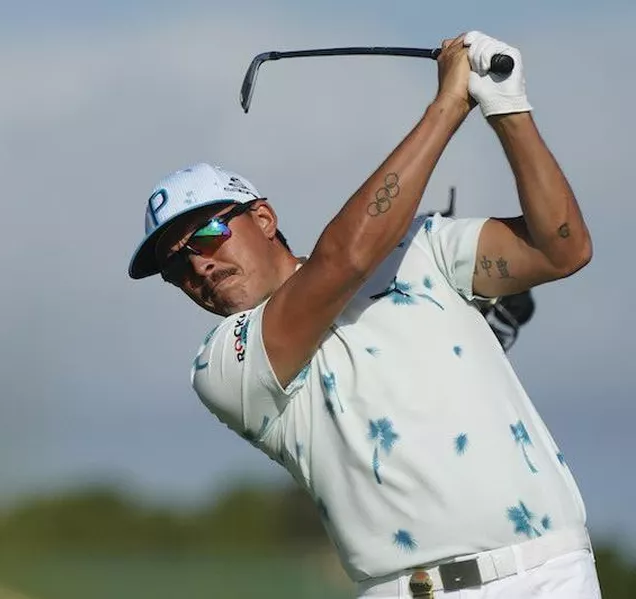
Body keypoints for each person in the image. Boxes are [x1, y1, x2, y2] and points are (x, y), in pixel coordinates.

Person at [128, 31, 600, 598]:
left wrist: (506, 107)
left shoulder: (419, 249)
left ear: (264, 218)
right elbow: (343, 261)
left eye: (205, 235)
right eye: (174, 266)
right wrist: (449, 105)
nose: (196, 267)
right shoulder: (223, 366)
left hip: (550, 576)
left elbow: (562, 248)